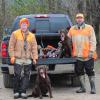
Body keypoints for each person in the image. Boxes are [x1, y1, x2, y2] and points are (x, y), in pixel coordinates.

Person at [9, 18, 38, 99]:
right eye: (22, 24)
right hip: (18, 58)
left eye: (25, 24)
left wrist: (35, 58)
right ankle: (16, 92)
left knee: (26, 76)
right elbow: (11, 46)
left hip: (28, 59)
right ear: (20, 25)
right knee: (17, 75)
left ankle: (23, 92)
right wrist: (12, 56)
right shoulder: (15, 34)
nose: (24, 26)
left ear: (27, 25)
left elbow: (34, 48)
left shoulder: (32, 36)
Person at [68, 13, 97, 94]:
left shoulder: (89, 28)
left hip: (88, 55)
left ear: (83, 19)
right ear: (76, 19)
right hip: (78, 56)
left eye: (80, 18)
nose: (79, 19)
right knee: (79, 71)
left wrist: (91, 51)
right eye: (77, 18)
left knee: (90, 71)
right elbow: (67, 40)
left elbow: (93, 40)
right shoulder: (72, 29)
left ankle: (93, 88)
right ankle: (82, 88)